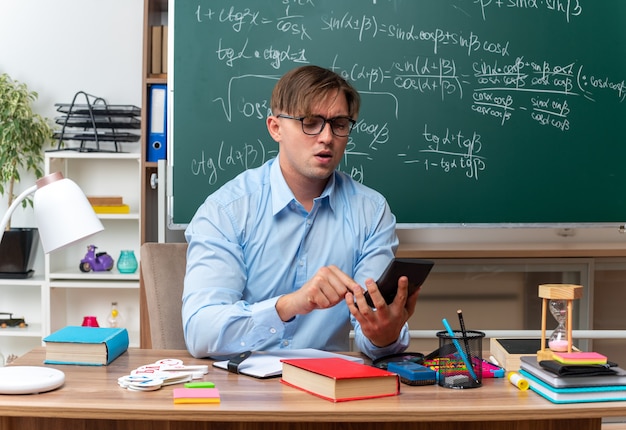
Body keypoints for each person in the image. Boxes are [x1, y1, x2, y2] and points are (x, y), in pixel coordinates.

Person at [182, 65, 419, 360]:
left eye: (339, 124)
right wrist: (290, 305)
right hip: (244, 391)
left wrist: (383, 335)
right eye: (310, 122)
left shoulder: (370, 212)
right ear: (275, 127)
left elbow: (372, 332)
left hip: (329, 390)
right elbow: (200, 333)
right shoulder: (226, 211)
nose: (327, 137)